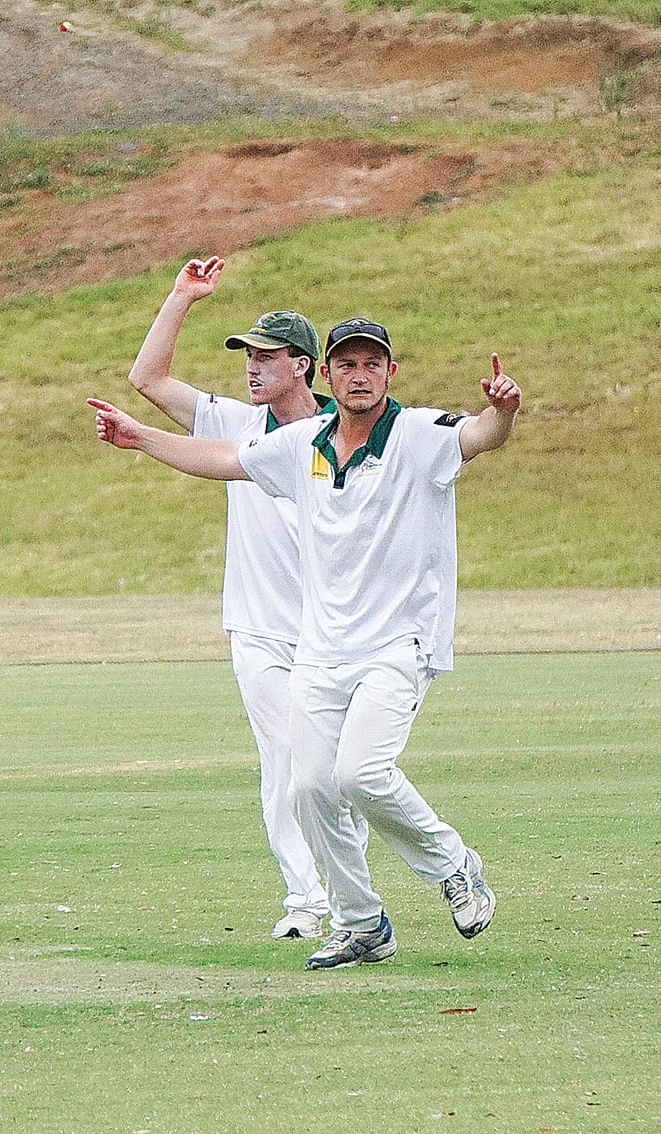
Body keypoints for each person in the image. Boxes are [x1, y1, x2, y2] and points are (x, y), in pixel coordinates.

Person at [90, 317, 517, 969]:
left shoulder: (416, 434)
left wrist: (502, 412)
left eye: (372, 363)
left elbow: (477, 437)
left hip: (396, 644)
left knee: (361, 773)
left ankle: (454, 863)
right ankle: (360, 921)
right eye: (348, 363)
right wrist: (141, 437)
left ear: (389, 373)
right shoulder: (305, 444)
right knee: (310, 785)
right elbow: (226, 460)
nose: (360, 374)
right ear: (330, 374)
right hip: (323, 647)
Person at [125, 255, 355, 941]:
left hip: (329, 630)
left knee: (333, 770)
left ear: (303, 367)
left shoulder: (340, 435)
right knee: (282, 760)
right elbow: (148, 379)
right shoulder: (233, 421)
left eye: (267, 356)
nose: (251, 367)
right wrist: (180, 297)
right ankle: (307, 899)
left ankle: (347, 894)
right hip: (257, 628)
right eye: (248, 356)